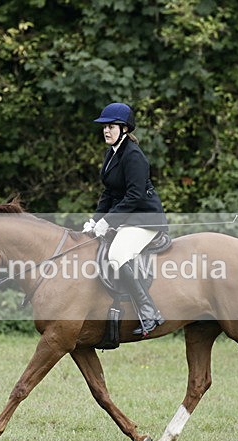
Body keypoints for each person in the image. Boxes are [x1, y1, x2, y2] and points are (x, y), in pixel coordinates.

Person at [83, 102, 168, 336]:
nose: (106, 131)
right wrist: (96, 220)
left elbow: (134, 195)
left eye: (111, 126)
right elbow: (109, 192)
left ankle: (149, 312)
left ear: (124, 129)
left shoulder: (133, 156)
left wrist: (108, 222)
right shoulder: (111, 153)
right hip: (127, 219)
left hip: (145, 220)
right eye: (104, 127)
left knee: (117, 254)